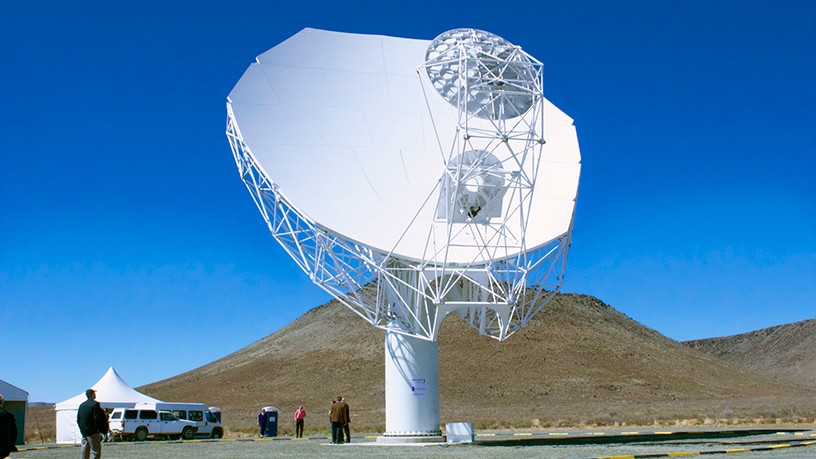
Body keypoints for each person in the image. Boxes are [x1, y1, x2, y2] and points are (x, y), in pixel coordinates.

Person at [76, 389, 108, 459]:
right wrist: (100, 429)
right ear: (91, 394)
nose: (95, 394)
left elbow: (78, 419)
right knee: (96, 451)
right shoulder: (95, 404)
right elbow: (97, 418)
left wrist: (82, 429)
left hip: (84, 431)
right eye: (94, 393)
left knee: (85, 450)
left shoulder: (82, 405)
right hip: (93, 431)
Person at [0, 395, 19, 459]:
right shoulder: (9, 416)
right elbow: (14, 433)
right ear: (2, 403)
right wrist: (11, 444)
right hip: (4, 449)